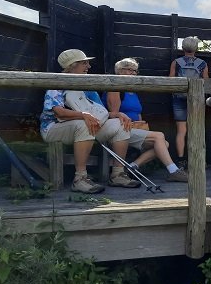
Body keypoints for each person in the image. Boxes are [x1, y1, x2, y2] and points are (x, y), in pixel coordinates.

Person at [39, 49, 140, 194]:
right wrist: (83, 115)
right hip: (54, 128)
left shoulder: (87, 84)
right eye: (84, 63)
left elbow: (98, 113)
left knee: (120, 124)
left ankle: (118, 174)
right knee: (83, 123)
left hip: (86, 125)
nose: (89, 66)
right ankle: (79, 179)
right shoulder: (58, 82)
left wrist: (117, 114)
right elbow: (59, 112)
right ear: (72, 65)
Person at [106, 58, 189, 182]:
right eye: (130, 70)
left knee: (163, 144)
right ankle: (173, 171)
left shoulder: (132, 91)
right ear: (120, 71)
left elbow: (137, 112)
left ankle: (132, 166)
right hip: (120, 129)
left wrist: (141, 125)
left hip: (133, 129)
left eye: (135, 71)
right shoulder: (115, 88)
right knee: (159, 136)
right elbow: (115, 114)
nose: (133, 73)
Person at [169, 36, 209, 169]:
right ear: (196, 48)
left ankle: (181, 160)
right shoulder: (203, 63)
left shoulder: (176, 62)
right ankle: (198, 160)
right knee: (196, 129)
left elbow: (170, 80)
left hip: (179, 99)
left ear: (183, 48)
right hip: (196, 100)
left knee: (181, 131)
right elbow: (206, 83)